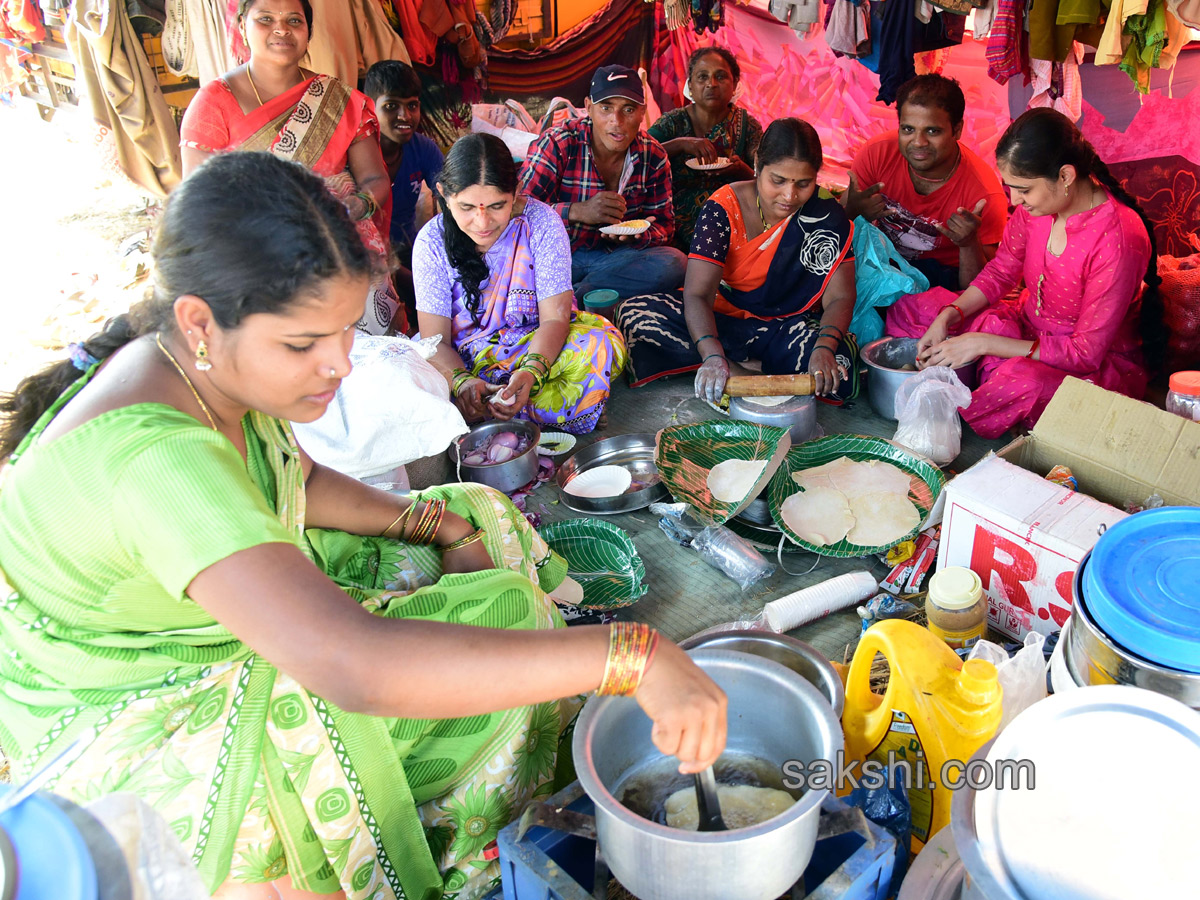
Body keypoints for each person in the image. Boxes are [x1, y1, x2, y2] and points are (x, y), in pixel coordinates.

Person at [0, 152, 726, 900]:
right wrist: (632, 655)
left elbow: (299, 480)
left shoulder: (188, 364)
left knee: (479, 511)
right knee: (507, 635)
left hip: (218, 602)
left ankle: (537, 639)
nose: (340, 366)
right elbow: (355, 668)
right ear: (199, 322)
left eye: (346, 332)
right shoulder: (155, 460)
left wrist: (435, 522)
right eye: (303, 344)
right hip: (151, 720)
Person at [886, 108, 1163, 439]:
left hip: (1086, 365)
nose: (1015, 200)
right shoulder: (1036, 210)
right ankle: (975, 377)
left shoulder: (1119, 238)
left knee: (1023, 382)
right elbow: (1001, 271)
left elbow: (1084, 354)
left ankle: (972, 386)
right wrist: (949, 315)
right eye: (1011, 188)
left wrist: (982, 342)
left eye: (1024, 189)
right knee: (916, 308)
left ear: (1065, 176)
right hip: (1026, 326)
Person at [179, 0, 402, 335]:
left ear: (309, 32)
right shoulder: (213, 104)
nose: (281, 29)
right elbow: (198, 205)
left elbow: (375, 179)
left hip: (339, 253)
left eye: (293, 20)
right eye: (265, 19)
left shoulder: (338, 98)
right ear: (242, 26)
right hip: (257, 261)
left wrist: (358, 204)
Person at [617, 118, 859, 403]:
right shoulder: (724, 207)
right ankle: (731, 368)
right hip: (722, 319)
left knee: (839, 366)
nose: (790, 195)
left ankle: (731, 373)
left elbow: (841, 297)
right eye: (778, 180)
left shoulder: (825, 213)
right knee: (634, 315)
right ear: (757, 164)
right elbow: (697, 293)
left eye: (803, 184)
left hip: (785, 327)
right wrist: (713, 355)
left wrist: (824, 350)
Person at [414, 134, 628, 435]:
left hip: (534, 346)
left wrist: (531, 372)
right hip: (464, 359)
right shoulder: (431, 242)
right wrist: (463, 382)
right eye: (466, 208)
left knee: (601, 342)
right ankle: (559, 409)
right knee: (411, 376)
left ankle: (493, 414)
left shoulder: (541, 223)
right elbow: (433, 343)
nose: (482, 221)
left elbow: (555, 318)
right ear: (444, 196)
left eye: (496, 206)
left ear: (514, 194)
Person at [518, 64, 687, 300]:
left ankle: (578, 295)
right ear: (588, 107)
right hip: (558, 255)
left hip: (616, 258)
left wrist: (637, 234)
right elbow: (518, 209)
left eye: (628, 109)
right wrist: (577, 211)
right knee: (520, 268)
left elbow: (664, 226)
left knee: (675, 262)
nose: (616, 121)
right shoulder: (558, 143)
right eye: (606, 108)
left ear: (642, 112)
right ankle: (591, 293)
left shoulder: (653, 155)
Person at [841, 74, 1008, 291]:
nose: (918, 142)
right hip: (879, 260)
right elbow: (837, 227)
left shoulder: (984, 195)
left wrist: (968, 244)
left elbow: (977, 288)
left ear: (957, 130)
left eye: (932, 131)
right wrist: (852, 210)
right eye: (908, 129)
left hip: (940, 281)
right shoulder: (877, 152)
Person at [648, 46, 762, 253]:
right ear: (690, 86)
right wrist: (679, 144)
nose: (711, 84)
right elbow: (639, 155)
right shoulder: (672, 123)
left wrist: (742, 171)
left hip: (732, 216)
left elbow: (766, 174)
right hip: (675, 221)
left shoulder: (747, 126)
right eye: (702, 77)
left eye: (721, 76)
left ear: (735, 83)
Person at [364, 59, 444, 334]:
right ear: (369, 107)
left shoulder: (423, 149)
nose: (405, 116)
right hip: (366, 258)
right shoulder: (356, 156)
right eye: (391, 106)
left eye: (412, 105)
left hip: (409, 250)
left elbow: (451, 199)